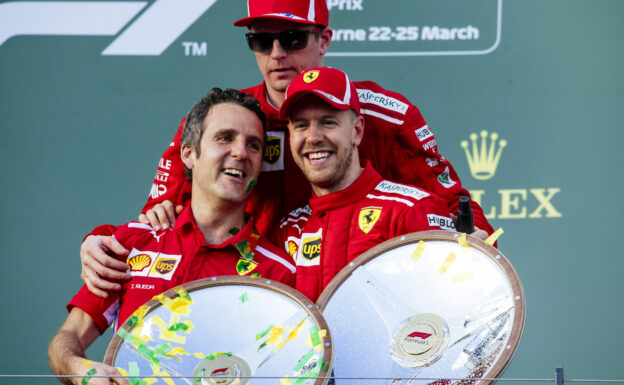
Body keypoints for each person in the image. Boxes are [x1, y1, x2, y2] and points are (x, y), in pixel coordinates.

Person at [79, 0, 494, 298]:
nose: (277, 55)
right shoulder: (227, 121)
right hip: (255, 302)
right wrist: (101, 242)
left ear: (325, 39)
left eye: (292, 38)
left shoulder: (387, 116)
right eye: (261, 41)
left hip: (360, 299)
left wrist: (475, 251)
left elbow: (459, 213)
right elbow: (158, 224)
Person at [48, 88, 296, 385]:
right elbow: (68, 337)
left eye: (253, 145)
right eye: (225, 138)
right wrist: (80, 370)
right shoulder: (132, 243)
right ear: (189, 153)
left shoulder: (280, 273)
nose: (241, 153)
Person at [275, 67, 455, 301]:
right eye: (301, 125)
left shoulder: (411, 211)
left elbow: (447, 310)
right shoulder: (288, 230)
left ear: (357, 131)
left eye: (328, 123)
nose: (313, 137)